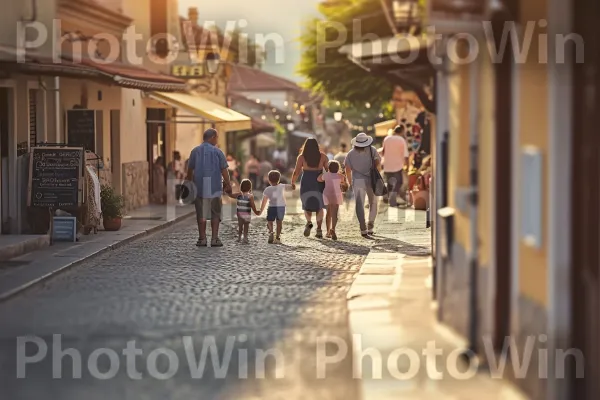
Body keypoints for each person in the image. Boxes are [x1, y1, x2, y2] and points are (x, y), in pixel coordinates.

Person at [186, 128, 232, 247]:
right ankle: (214, 239)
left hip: (199, 187)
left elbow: (190, 170)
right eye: (216, 137)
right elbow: (224, 170)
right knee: (215, 213)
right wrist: (228, 183)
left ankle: (202, 239)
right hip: (214, 188)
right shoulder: (218, 152)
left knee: (201, 213)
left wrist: (188, 183)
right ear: (212, 137)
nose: (217, 140)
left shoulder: (195, 151)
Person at [344, 132, 381, 238]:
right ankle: (371, 225)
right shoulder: (372, 150)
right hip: (371, 179)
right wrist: (377, 175)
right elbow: (378, 163)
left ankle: (363, 228)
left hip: (358, 180)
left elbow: (347, 169)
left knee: (359, 204)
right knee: (373, 202)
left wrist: (349, 181)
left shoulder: (350, 153)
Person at [291, 137, 329, 238]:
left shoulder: (301, 157)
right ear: (317, 146)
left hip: (306, 181)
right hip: (319, 181)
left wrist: (293, 182)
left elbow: (296, 171)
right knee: (319, 206)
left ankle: (308, 222)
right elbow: (329, 170)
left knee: (306, 203)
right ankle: (319, 229)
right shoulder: (323, 157)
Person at [259, 170, 295, 244]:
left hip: (271, 207)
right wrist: (293, 183)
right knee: (279, 222)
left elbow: (264, 201)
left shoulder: (267, 189)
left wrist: (261, 210)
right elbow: (292, 188)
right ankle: (277, 237)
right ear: (279, 179)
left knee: (270, 221)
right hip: (281, 207)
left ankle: (271, 232)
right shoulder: (282, 186)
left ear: (269, 180)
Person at [318, 160, 346, 241]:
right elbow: (343, 182)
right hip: (336, 195)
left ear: (329, 168)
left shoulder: (326, 175)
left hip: (327, 194)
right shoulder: (340, 176)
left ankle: (327, 232)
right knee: (335, 214)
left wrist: (325, 173)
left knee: (328, 213)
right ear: (338, 168)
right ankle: (333, 229)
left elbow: (319, 179)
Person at [381, 125, 409, 207]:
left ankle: (391, 200)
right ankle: (392, 200)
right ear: (402, 131)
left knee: (390, 183)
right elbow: (406, 155)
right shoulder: (401, 140)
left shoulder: (387, 139)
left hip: (387, 164)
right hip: (397, 165)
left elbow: (383, 151)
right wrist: (407, 166)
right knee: (398, 182)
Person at [227, 179, 260, 244]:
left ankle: (239, 237)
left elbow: (231, 195)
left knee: (240, 226)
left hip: (239, 213)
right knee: (246, 226)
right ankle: (245, 237)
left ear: (241, 187)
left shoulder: (239, 194)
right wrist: (256, 212)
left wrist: (228, 191)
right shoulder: (250, 196)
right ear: (250, 187)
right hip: (247, 213)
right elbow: (252, 205)